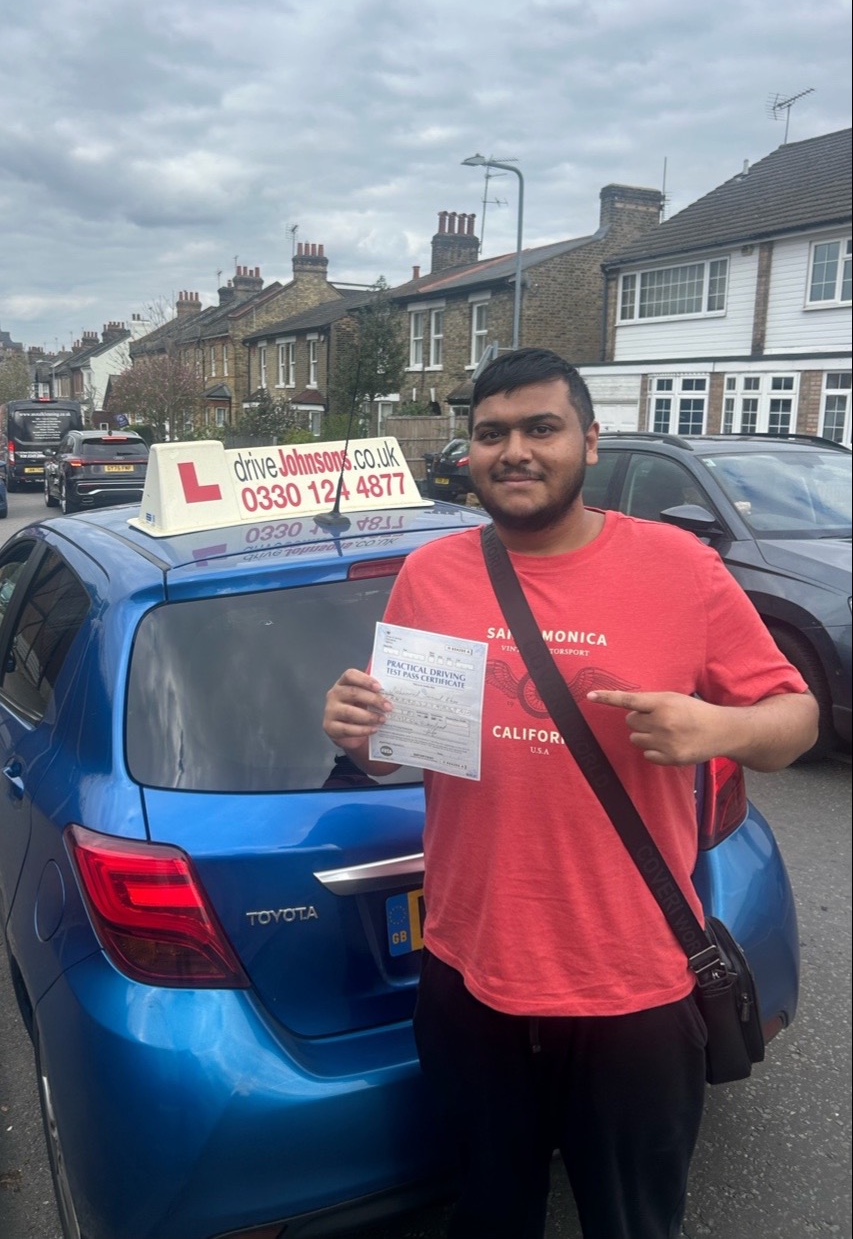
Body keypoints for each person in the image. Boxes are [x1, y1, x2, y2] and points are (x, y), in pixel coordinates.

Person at [323, 348, 818, 1239]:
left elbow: (797, 719)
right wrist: (360, 737)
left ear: (588, 443)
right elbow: (402, 752)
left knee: (631, 1222)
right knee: (488, 1214)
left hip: (636, 988)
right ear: (466, 452)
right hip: (471, 978)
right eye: (490, 433)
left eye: (540, 428)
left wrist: (718, 730)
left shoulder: (681, 568)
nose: (514, 450)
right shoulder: (431, 575)